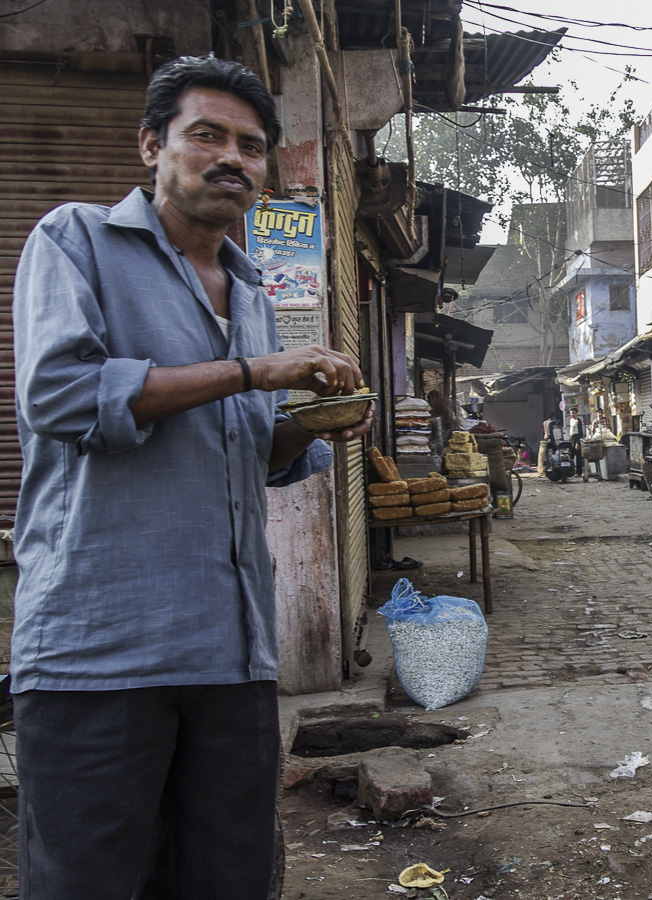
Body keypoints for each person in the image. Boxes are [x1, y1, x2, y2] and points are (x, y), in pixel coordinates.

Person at [10, 56, 371, 897]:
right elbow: (61, 397)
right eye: (206, 135)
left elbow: (248, 451)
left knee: (227, 878)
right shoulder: (76, 240)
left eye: (250, 145)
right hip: (101, 654)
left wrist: (313, 424)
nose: (231, 158)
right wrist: (252, 372)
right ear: (152, 146)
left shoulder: (251, 291)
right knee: (90, 882)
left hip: (232, 654)